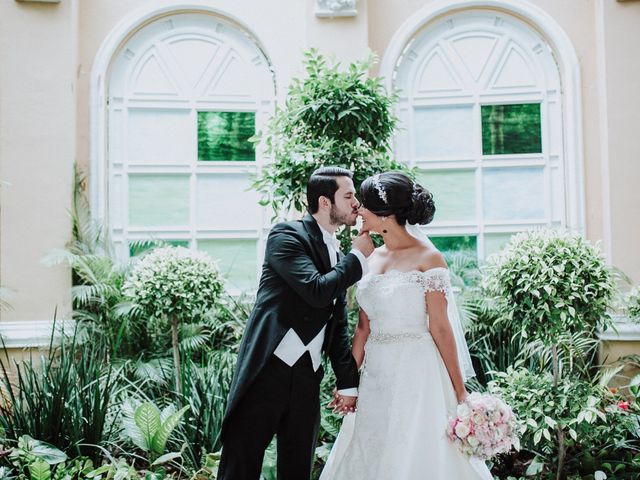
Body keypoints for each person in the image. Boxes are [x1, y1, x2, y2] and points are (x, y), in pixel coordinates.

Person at [320, 171, 493, 479]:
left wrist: (459, 390)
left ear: (385, 215)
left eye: (365, 205)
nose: (357, 208)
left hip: (417, 372)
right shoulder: (366, 257)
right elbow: (363, 327)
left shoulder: (429, 258)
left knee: (415, 449)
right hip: (376, 375)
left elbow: (440, 327)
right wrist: (348, 382)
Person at [217, 166, 375, 480]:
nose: (356, 203)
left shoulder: (337, 252)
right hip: (266, 371)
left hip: (306, 376)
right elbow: (317, 291)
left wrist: (347, 382)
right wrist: (357, 258)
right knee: (241, 466)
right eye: (348, 195)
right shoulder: (286, 235)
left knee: (298, 468)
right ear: (325, 202)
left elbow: (336, 324)